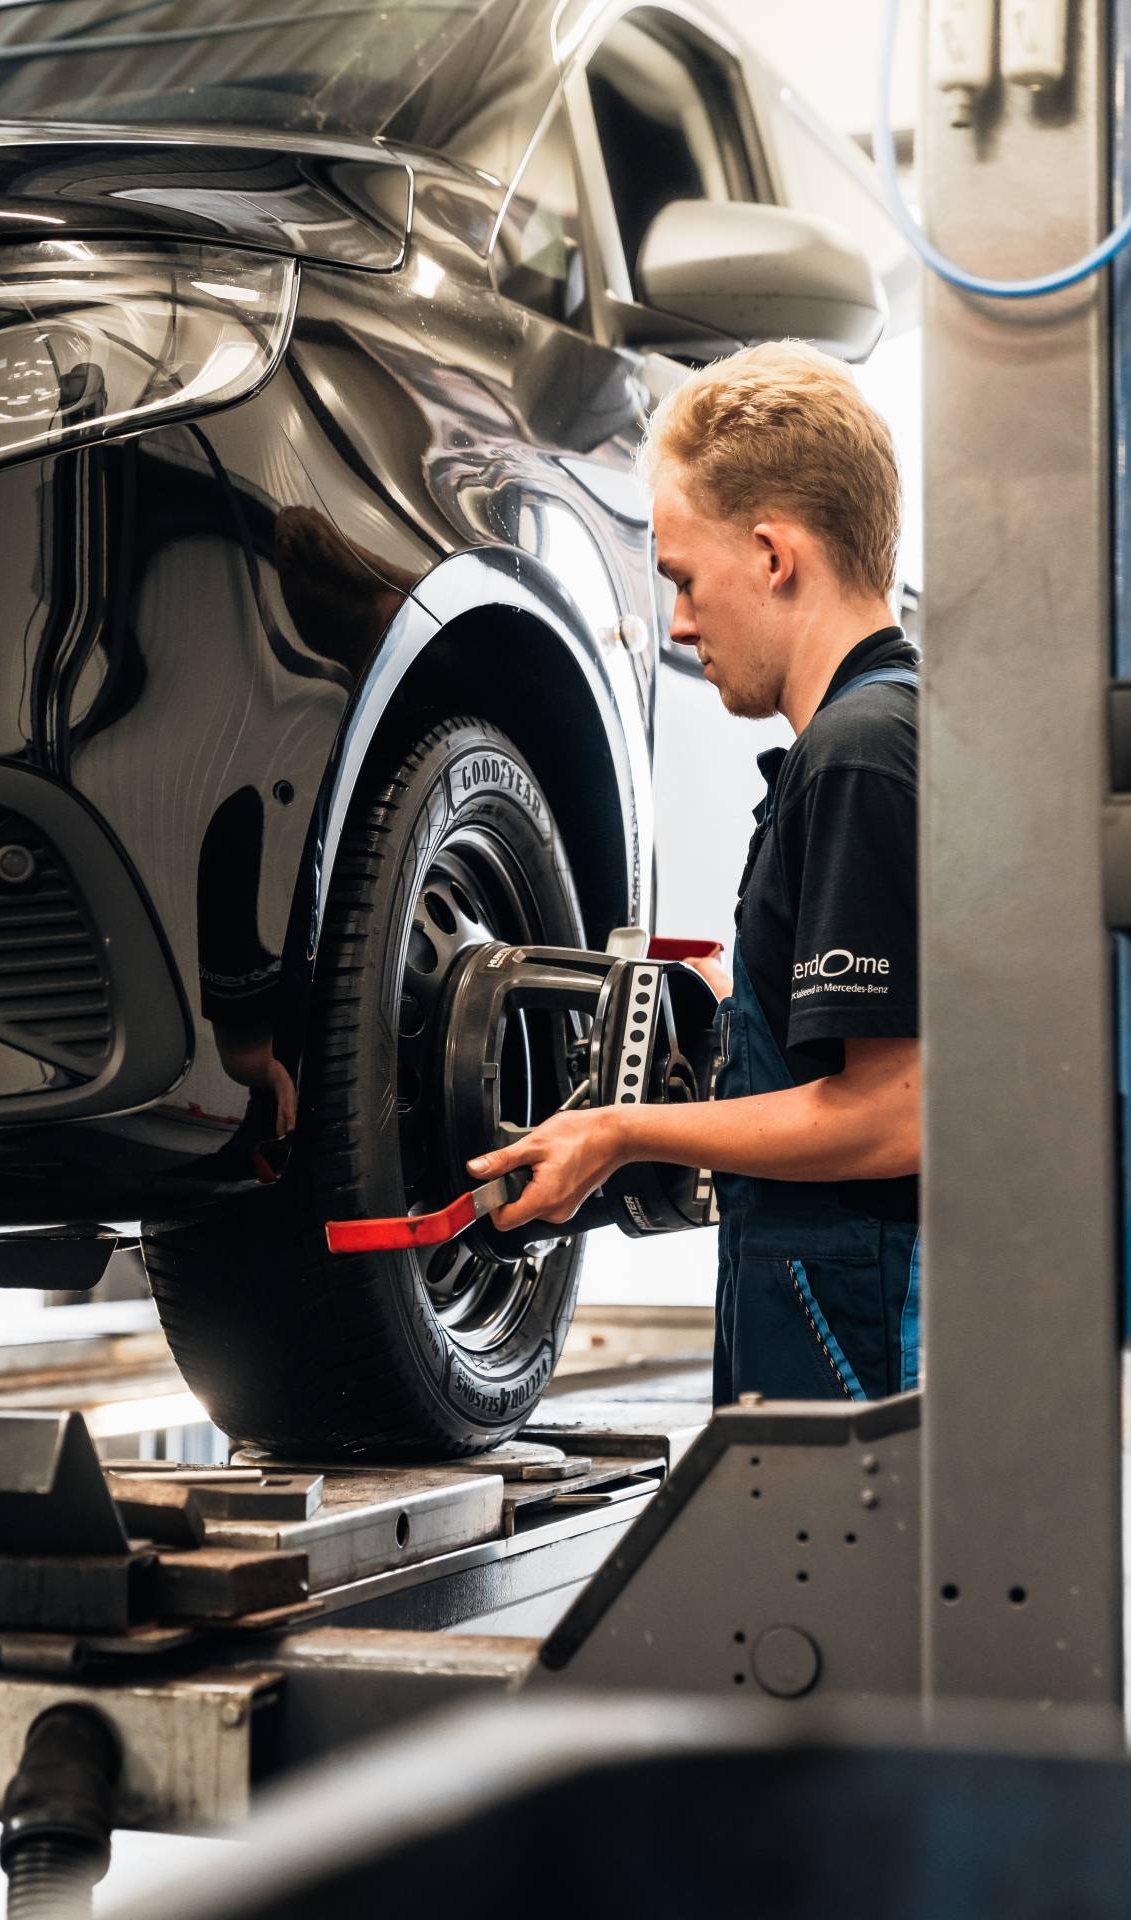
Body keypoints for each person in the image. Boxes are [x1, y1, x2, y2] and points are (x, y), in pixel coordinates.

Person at [467, 340, 920, 1405]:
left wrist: (621, 1131)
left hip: (855, 1335)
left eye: (681, 578)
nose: (677, 622)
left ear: (772, 555)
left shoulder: (857, 754)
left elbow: (897, 1111)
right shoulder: (884, 734)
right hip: (830, 1309)